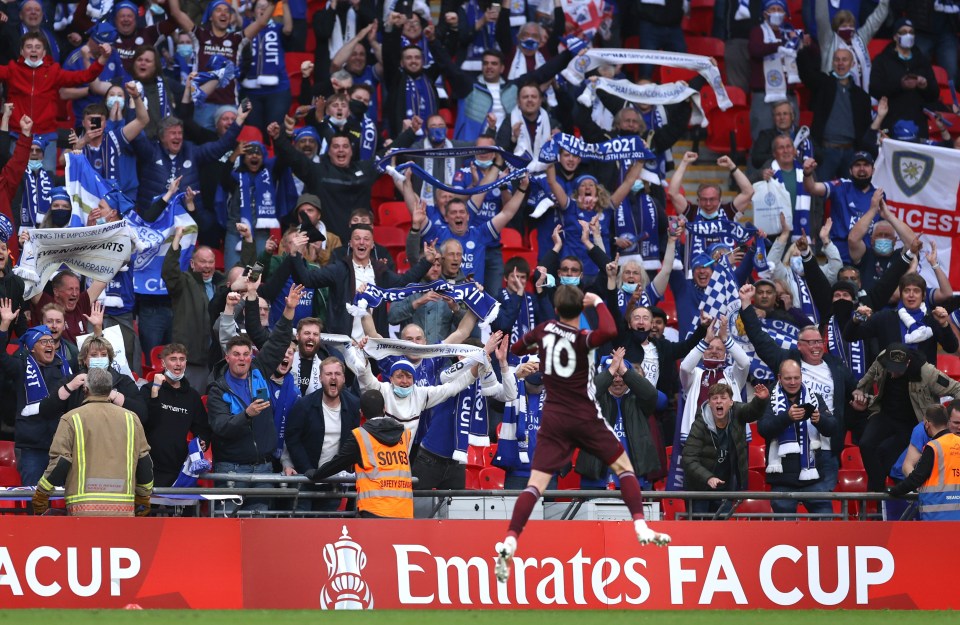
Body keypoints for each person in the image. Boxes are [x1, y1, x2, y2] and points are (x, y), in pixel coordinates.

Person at [495, 286, 670, 585]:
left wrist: (527, 349)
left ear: (555, 307)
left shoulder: (543, 329)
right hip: (583, 414)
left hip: (554, 417)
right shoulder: (583, 338)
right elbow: (611, 329)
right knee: (624, 467)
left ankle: (511, 538)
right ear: (580, 309)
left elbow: (517, 350)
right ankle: (640, 524)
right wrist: (599, 300)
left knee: (535, 485)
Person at [206, 282, 299, 514]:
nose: (242, 359)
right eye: (236, 355)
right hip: (230, 469)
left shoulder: (259, 368)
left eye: (246, 354)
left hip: (263, 468)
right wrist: (246, 415)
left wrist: (289, 310)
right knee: (225, 531)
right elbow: (220, 427)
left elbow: (278, 343)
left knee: (260, 533)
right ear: (227, 358)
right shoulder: (218, 388)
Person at [31, 367, 153, 517]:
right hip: (123, 510)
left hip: (83, 510)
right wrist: (143, 496)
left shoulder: (71, 418)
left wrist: (42, 493)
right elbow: (144, 461)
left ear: (85, 389)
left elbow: (61, 462)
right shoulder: (131, 418)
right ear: (110, 390)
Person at [852, 344, 960, 492]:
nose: (892, 373)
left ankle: (884, 496)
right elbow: (867, 379)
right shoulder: (883, 358)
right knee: (865, 444)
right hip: (885, 414)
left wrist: (948, 415)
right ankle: (876, 491)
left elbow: (956, 389)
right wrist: (859, 391)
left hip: (912, 422)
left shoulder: (926, 372)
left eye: (897, 369)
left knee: (887, 457)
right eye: (890, 368)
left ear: (908, 363)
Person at [164, 224, 257, 391]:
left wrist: (248, 239)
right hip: (192, 358)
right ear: (192, 263)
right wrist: (176, 239)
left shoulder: (222, 283)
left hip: (219, 356)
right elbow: (169, 270)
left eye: (211, 262)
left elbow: (244, 273)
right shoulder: (183, 282)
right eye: (202, 262)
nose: (207, 266)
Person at [306, 389, 414, 519]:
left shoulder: (360, 436)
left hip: (374, 510)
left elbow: (338, 463)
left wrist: (315, 474)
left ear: (361, 412)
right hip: (405, 510)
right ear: (384, 408)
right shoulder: (405, 434)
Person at [759, 359, 837, 516]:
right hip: (782, 481)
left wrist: (819, 420)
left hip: (814, 478)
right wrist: (787, 417)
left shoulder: (815, 398)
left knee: (826, 530)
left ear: (802, 376)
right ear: (779, 378)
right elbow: (763, 429)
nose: (793, 382)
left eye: (796, 377)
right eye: (788, 378)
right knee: (785, 534)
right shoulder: (769, 399)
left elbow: (832, 428)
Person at [682, 382, 770, 517]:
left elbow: (752, 411)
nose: (719, 402)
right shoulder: (700, 424)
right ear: (709, 403)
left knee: (722, 530)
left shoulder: (738, 413)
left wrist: (761, 400)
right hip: (699, 488)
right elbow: (688, 458)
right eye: (714, 398)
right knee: (700, 531)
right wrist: (708, 477)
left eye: (723, 398)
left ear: (731, 402)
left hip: (725, 487)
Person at [284, 357, 361, 511]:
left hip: (334, 481)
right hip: (305, 479)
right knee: (303, 528)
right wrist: (308, 471)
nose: (333, 377)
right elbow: (293, 439)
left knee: (328, 531)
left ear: (344, 378)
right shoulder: (304, 405)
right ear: (320, 378)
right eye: (329, 374)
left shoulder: (353, 404)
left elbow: (353, 441)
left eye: (338, 374)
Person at [796, 45, 873, 182]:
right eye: (837, 59)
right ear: (832, 63)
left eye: (844, 60)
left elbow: (865, 127)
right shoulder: (823, 85)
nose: (840, 63)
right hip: (826, 151)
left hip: (851, 152)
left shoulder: (861, 96)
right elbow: (806, 73)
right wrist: (802, 49)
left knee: (850, 196)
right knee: (819, 195)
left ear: (853, 64)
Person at [844, 274, 957, 366]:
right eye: (907, 291)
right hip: (892, 385)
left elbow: (951, 348)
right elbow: (850, 336)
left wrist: (944, 324)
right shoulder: (884, 317)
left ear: (923, 295)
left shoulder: (932, 319)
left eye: (916, 291)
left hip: (924, 387)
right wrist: (857, 317)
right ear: (901, 295)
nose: (911, 295)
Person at [140, 343, 211, 488]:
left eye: (182, 359)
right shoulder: (148, 390)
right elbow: (144, 423)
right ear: (163, 362)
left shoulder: (192, 396)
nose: (178, 364)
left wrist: (203, 441)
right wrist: (155, 393)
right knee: (147, 511)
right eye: (173, 359)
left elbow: (203, 429)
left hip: (178, 468)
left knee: (182, 510)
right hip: (149, 465)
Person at [38, 334, 147, 425]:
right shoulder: (72, 381)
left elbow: (143, 416)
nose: (99, 358)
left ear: (109, 359)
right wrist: (69, 387)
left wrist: (115, 396)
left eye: (104, 355)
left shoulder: (123, 381)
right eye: (94, 355)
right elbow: (46, 412)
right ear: (85, 359)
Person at [869, 18, 941, 141]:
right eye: (903, 32)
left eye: (911, 32)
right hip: (891, 124)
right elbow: (875, 89)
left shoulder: (922, 60)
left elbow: (934, 94)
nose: (908, 35)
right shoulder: (882, 60)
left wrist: (925, 86)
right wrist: (900, 85)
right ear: (895, 37)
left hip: (918, 125)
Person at [888, 404, 960, 519]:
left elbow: (916, 478)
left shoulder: (933, 447)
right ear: (947, 422)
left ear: (927, 424)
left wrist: (894, 491)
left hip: (937, 515)